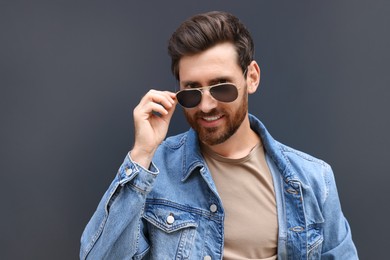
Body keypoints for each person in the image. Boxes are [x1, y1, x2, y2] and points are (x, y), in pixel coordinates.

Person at [80, 11, 358, 260]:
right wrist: (141, 155)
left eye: (221, 87)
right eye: (191, 91)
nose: (206, 105)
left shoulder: (313, 180)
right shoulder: (153, 171)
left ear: (252, 77)